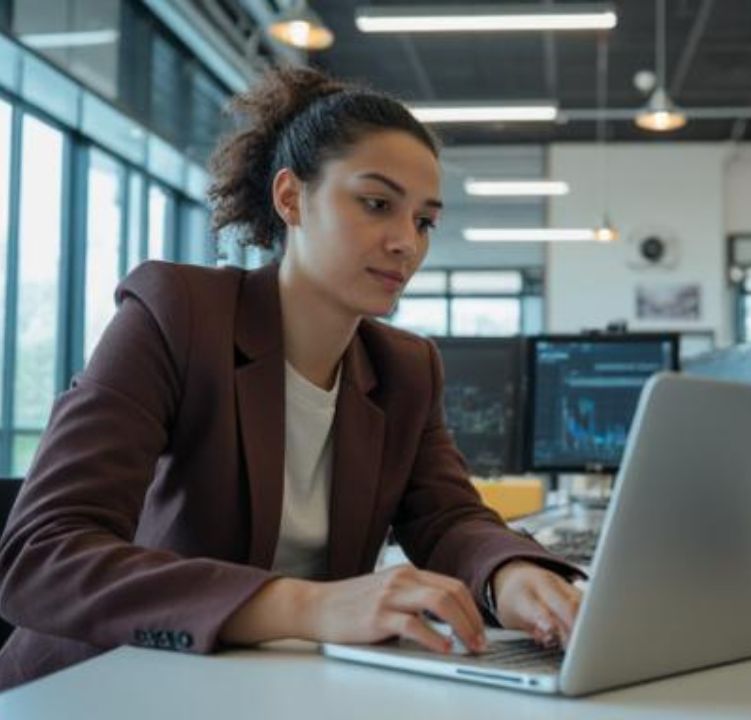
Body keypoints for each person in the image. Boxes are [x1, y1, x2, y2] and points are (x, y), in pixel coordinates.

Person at [0, 67, 582, 690]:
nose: (405, 244)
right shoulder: (178, 315)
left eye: (424, 221)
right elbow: (42, 555)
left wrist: (510, 575)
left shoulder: (406, 368)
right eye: (377, 204)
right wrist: (312, 606)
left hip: (273, 689)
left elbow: (447, 518)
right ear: (291, 198)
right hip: (103, 684)